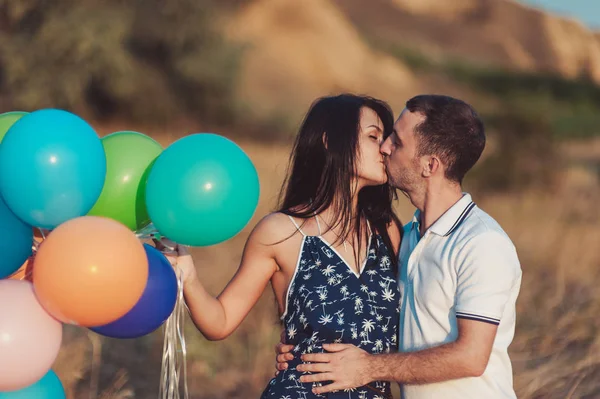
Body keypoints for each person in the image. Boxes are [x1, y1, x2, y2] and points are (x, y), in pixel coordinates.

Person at [275, 95, 522, 398]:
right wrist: (304, 342)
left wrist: (368, 368)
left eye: (398, 142)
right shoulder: (405, 239)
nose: (385, 147)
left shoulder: (481, 243)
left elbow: (470, 357)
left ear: (430, 165)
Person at [167, 94, 404, 398]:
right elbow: (221, 321)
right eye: (373, 136)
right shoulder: (281, 232)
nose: (385, 148)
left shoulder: (387, 230)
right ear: (329, 141)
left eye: (386, 138)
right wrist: (189, 277)